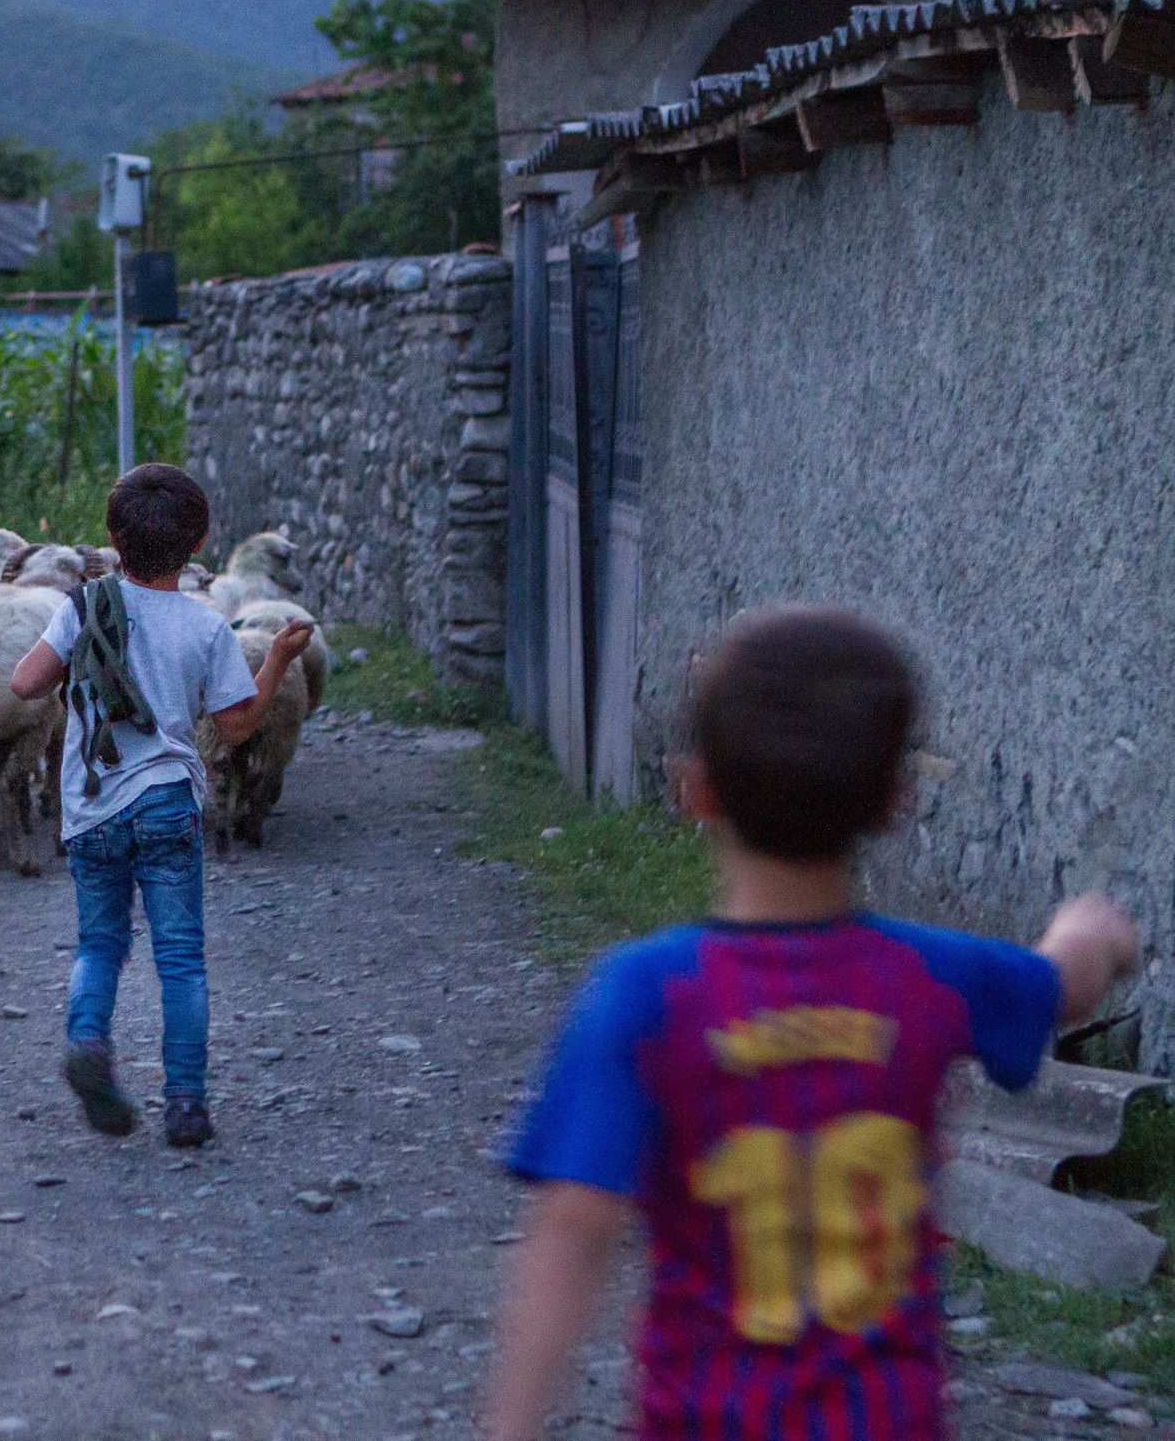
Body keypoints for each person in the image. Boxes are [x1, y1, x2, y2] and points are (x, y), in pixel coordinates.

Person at [487, 605, 1139, 1441]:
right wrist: (1094, 930)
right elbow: (1064, 984)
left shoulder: (643, 994)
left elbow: (573, 1228)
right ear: (895, 803)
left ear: (695, 791)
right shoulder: (936, 975)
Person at [8, 464, 313, 1149]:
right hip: (170, 802)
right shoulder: (205, 628)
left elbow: (24, 682)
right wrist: (278, 661)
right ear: (200, 541)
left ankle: (87, 1040)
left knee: (100, 941)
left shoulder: (80, 607)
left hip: (92, 808)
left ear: (113, 537)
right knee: (180, 958)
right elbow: (236, 727)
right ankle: (185, 1103)